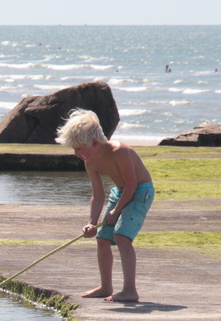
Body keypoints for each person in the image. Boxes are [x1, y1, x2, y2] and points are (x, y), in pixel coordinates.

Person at [56, 109, 155, 302]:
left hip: (140, 192)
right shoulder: (90, 162)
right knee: (102, 238)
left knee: (121, 236)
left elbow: (132, 184)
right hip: (120, 192)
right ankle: (105, 286)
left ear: (94, 142)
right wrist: (91, 222)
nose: (76, 153)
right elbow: (98, 195)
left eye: (78, 148)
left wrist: (116, 211)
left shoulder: (120, 151)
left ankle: (130, 290)